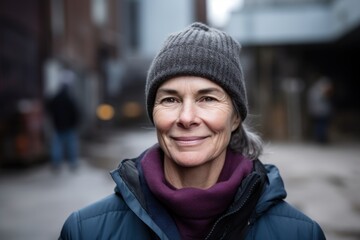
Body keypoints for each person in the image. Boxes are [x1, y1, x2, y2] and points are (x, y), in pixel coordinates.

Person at [59, 22, 325, 239]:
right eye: (170, 100)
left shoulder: (300, 234)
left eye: (207, 99)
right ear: (153, 114)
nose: (186, 118)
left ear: (235, 119)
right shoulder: (86, 231)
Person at [46, 69, 80, 170]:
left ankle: (56, 163)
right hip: (69, 126)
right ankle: (72, 163)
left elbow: (49, 107)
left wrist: (54, 119)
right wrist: (74, 123)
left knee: (57, 147)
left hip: (58, 126)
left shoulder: (56, 97)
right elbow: (76, 112)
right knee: (71, 146)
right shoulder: (70, 98)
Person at [307, 75, 334, 144]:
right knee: (321, 125)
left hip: (316, 111)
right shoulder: (319, 91)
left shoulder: (313, 89)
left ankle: (320, 139)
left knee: (319, 125)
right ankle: (321, 139)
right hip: (320, 112)